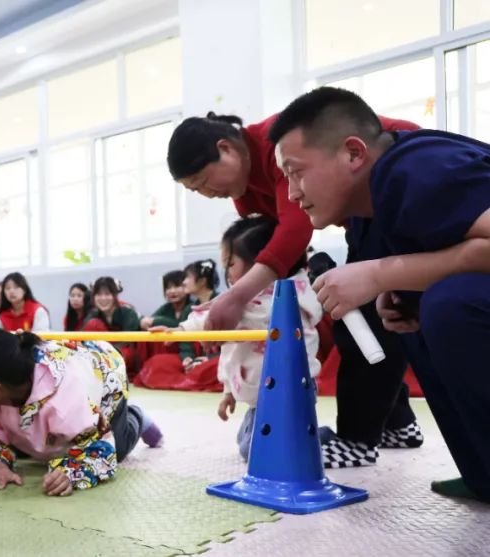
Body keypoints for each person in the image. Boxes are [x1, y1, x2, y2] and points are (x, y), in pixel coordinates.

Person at [168, 107, 423, 469]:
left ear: (226, 148)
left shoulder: (277, 144)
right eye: (197, 191)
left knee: (364, 318)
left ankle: (356, 440)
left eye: (203, 180)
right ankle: (398, 424)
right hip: (363, 217)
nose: (208, 194)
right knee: (364, 321)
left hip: (394, 182)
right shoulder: (245, 194)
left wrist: (238, 295)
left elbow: (294, 232)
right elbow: (277, 243)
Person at [271, 86, 490, 500]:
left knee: (450, 305)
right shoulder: (364, 217)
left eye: (297, 172)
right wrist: (401, 287)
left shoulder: (420, 168)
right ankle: (483, 470)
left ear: (354, 153)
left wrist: (383, 272)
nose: (293, 193)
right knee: (416, 315)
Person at [153, 217, 321, 460]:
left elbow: (227, 318)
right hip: (260, 396)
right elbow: (231, 348)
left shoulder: (280, 298)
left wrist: (183, 330)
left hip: (289, 392)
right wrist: (228, 391)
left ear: (259, 262)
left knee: (256, 451)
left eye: (231, 264)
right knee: (245, 442)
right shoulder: (245, 302)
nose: (227, 273)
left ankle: (311, 443)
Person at [0, 327, 162, 496]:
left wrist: (70, 473)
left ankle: (136, 417)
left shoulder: (65, 394)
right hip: (47, 403)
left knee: (118, 449)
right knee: (33, 445)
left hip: (104, 378)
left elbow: (99, 447)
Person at [83, 276, 139, 372]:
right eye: (99, 294)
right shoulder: (93, 315)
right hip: (101, 353)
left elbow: (129, 340)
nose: (103, 298)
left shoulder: (128, 312)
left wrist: (109, 351)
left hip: (123, 352)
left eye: (107, 294)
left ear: (115, 296)